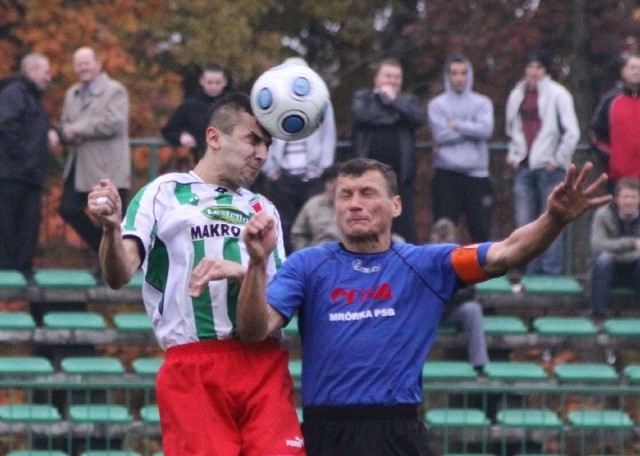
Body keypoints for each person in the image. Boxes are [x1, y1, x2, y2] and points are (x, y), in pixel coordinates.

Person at [226, 157, 610, 456]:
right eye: (345, 195)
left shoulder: (426, 265)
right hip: (327, 432)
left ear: (395, 205)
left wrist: (554, 219)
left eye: (367, 193)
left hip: (397, 431)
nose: (355, 204)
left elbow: (507, 252)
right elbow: (254, 330)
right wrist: (257, 263)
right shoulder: (307, 265)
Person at [88, 92, 304, 456]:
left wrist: (248, 269)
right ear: (214, 137)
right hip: (194, 365)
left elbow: (262, 322)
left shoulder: (263, 209)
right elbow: (119, 273)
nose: (262, 154)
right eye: (253, 139)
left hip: (262, 362)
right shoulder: (163, 193)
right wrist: (110, 230)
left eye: (267, 145)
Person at [505, 48, 580, 275]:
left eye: (538, 67)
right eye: (530, 67)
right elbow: (512, 128)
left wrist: (558, 160)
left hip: (550, 168)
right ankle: (528, 270)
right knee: (524, 223)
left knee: (551, 221)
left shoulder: (559, 94)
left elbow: (572, 132)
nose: (534, 72)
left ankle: (551, 273)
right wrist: (514, 155)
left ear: (545, 70)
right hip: (525, 166)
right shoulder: (516, 94)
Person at [59, 46, 131, 254]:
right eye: (79, 64)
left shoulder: (115, 90)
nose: (83, 68)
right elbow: (65, 124)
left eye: (87, 63)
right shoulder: (72, 93)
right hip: (79, 166)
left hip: (107, 167)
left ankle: (112, 267)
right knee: (68, 208)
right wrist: (65, 132)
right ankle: (103, 252)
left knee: (109, 218)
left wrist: (77, 129)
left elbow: (115, 122)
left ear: (98, 64)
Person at [262, 57, 336, 254]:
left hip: (311, 175)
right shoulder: (272, 100)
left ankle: (310, 260)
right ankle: (283, 261)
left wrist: (323, 168)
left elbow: (329, 136)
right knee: (282, 222)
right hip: (282, 175)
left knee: (311, 221)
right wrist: (270, 170)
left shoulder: (321, 101)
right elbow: (265, 134)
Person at [351, 58, 424, 243]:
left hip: (401, 177)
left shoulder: (408, 101)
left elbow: (418, 118)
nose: (392, 81)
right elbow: (362, 116)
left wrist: (393, 101)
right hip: (368, 175)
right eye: (388, 76)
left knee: (405, 230)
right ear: (377, 78)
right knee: (369, 223)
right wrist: (395, 115)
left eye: (397, 77)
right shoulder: (363, 98)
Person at [0, 53, 58, 276]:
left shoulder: (31, 97)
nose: (49, 77)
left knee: (27, 227)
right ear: (31, 71)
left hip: (27, 174)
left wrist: (52, 130)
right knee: (10, 229)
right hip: (14, 174)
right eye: (46, 72)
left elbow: (34, 124)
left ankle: (21, 273)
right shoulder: (15, 93)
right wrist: (25, 156)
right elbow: (6, 125)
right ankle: (11, 277)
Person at [428, 54, 495, 242]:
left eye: (463, 73)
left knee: (480, 231)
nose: (459, 78)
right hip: (446, 175)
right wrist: (470, 129)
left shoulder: (482, 103)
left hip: (477, 176)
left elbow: (485, 130)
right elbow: (440, 135)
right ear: (447, 76)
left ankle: (481, 271)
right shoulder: (437, 105)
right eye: (454, 73)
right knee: (444, 232)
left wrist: (456, 124)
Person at [429, 218, 488, 370]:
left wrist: (448, 293)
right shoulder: (424, 259)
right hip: (427, 314)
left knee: (473, 309)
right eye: (439, 239)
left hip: (451, 310)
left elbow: (470, 291)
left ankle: (479, 364)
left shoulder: (463, 260)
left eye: (446, 239)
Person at [589, 177, 640, 318]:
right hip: (608, 269)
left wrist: (615, 251)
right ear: (617, 198)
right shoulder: (603, 214)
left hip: (635, 268)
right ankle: (597, 315)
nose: (629, 201)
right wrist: (632, 243)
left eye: (633, 197)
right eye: (625, 197)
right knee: (603, 260)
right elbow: (597, 245)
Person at [161, 63, 231, 164]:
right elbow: (168, 130)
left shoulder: (233, 105)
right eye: (210, 82)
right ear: (202, 81)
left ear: (224, 82)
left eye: (217, 83)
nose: (213, 86)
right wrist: (181, 137)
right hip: (200, 162)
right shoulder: (189, 106)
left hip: (229, 160)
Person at [590, 53, 640, 190]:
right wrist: (612, 159)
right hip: (618, 178)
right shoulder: (610, 101)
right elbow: (596, 135)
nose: (637, 72)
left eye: (639, 68)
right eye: (633, 67)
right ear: (623, 72)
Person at [289, 164, 340, 251]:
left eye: (339, 183)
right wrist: (307, 256)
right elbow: (298, 234)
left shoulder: (354, 205)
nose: (334, 187)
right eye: (331, 182)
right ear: (325, 184)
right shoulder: (312, 205)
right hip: (319, 257)